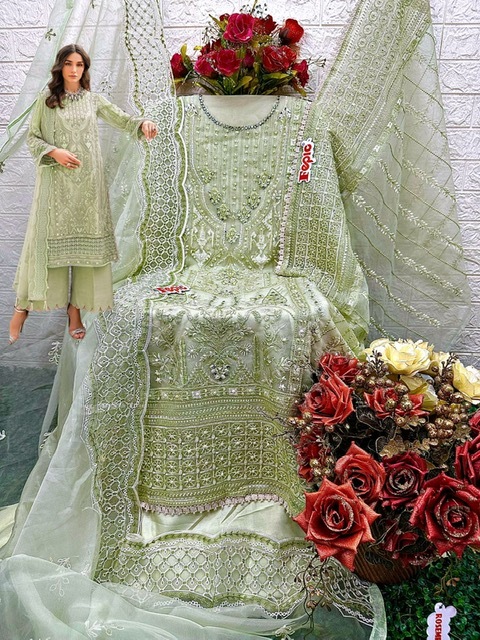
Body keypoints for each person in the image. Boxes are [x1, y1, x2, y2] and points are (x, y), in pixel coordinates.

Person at [8, 43, 158, 344]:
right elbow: (33, 138)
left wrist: (143, 123)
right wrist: (55, 152)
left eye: (79, 65)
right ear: (60, 67)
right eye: (69, 64)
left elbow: (123, 120)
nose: (74, 69)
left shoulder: (93, 100)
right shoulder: (47, 101)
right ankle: (22, 306)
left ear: (85, 69)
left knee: (85, 254)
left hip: (88, 187)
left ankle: (74, 311)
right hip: (56, 186)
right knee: (43, 246)